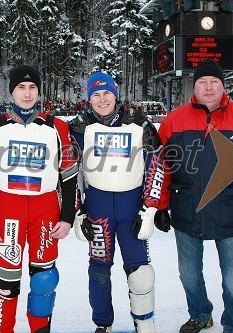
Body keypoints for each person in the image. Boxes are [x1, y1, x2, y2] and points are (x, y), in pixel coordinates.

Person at [154, 59, 233, 333]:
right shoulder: (175, 120)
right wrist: (161, 206)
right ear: (193, 87)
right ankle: (200, 314)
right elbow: (162, 167)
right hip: (186, 209)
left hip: (231, 211)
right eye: (202, 82)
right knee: (188, 274)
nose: (208, 87)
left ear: (223, 85)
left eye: (214, 82)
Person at [0, 65, 78, 333]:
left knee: (44, 279)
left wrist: (67, 217)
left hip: (46, 209)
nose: (27, 93)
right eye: (21, 87)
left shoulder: (56, 127)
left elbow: (69, 175)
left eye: (32, 88)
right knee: (6, 283)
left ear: (39, 91)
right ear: (12, 91)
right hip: (9, 209)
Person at [69, 72, 163, 333]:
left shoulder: (138, 122)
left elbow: (156, 163)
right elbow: (69, 173)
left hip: (131, 205)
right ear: (89, 98)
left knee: (140, 273)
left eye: (107, 93)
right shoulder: (78, 126)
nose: (102, 99)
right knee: (99, 271)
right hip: (98, 206)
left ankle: (145, 323)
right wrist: (78, 211)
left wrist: (150, 207)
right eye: (95, 95)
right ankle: (103, 323)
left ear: (116, 95)